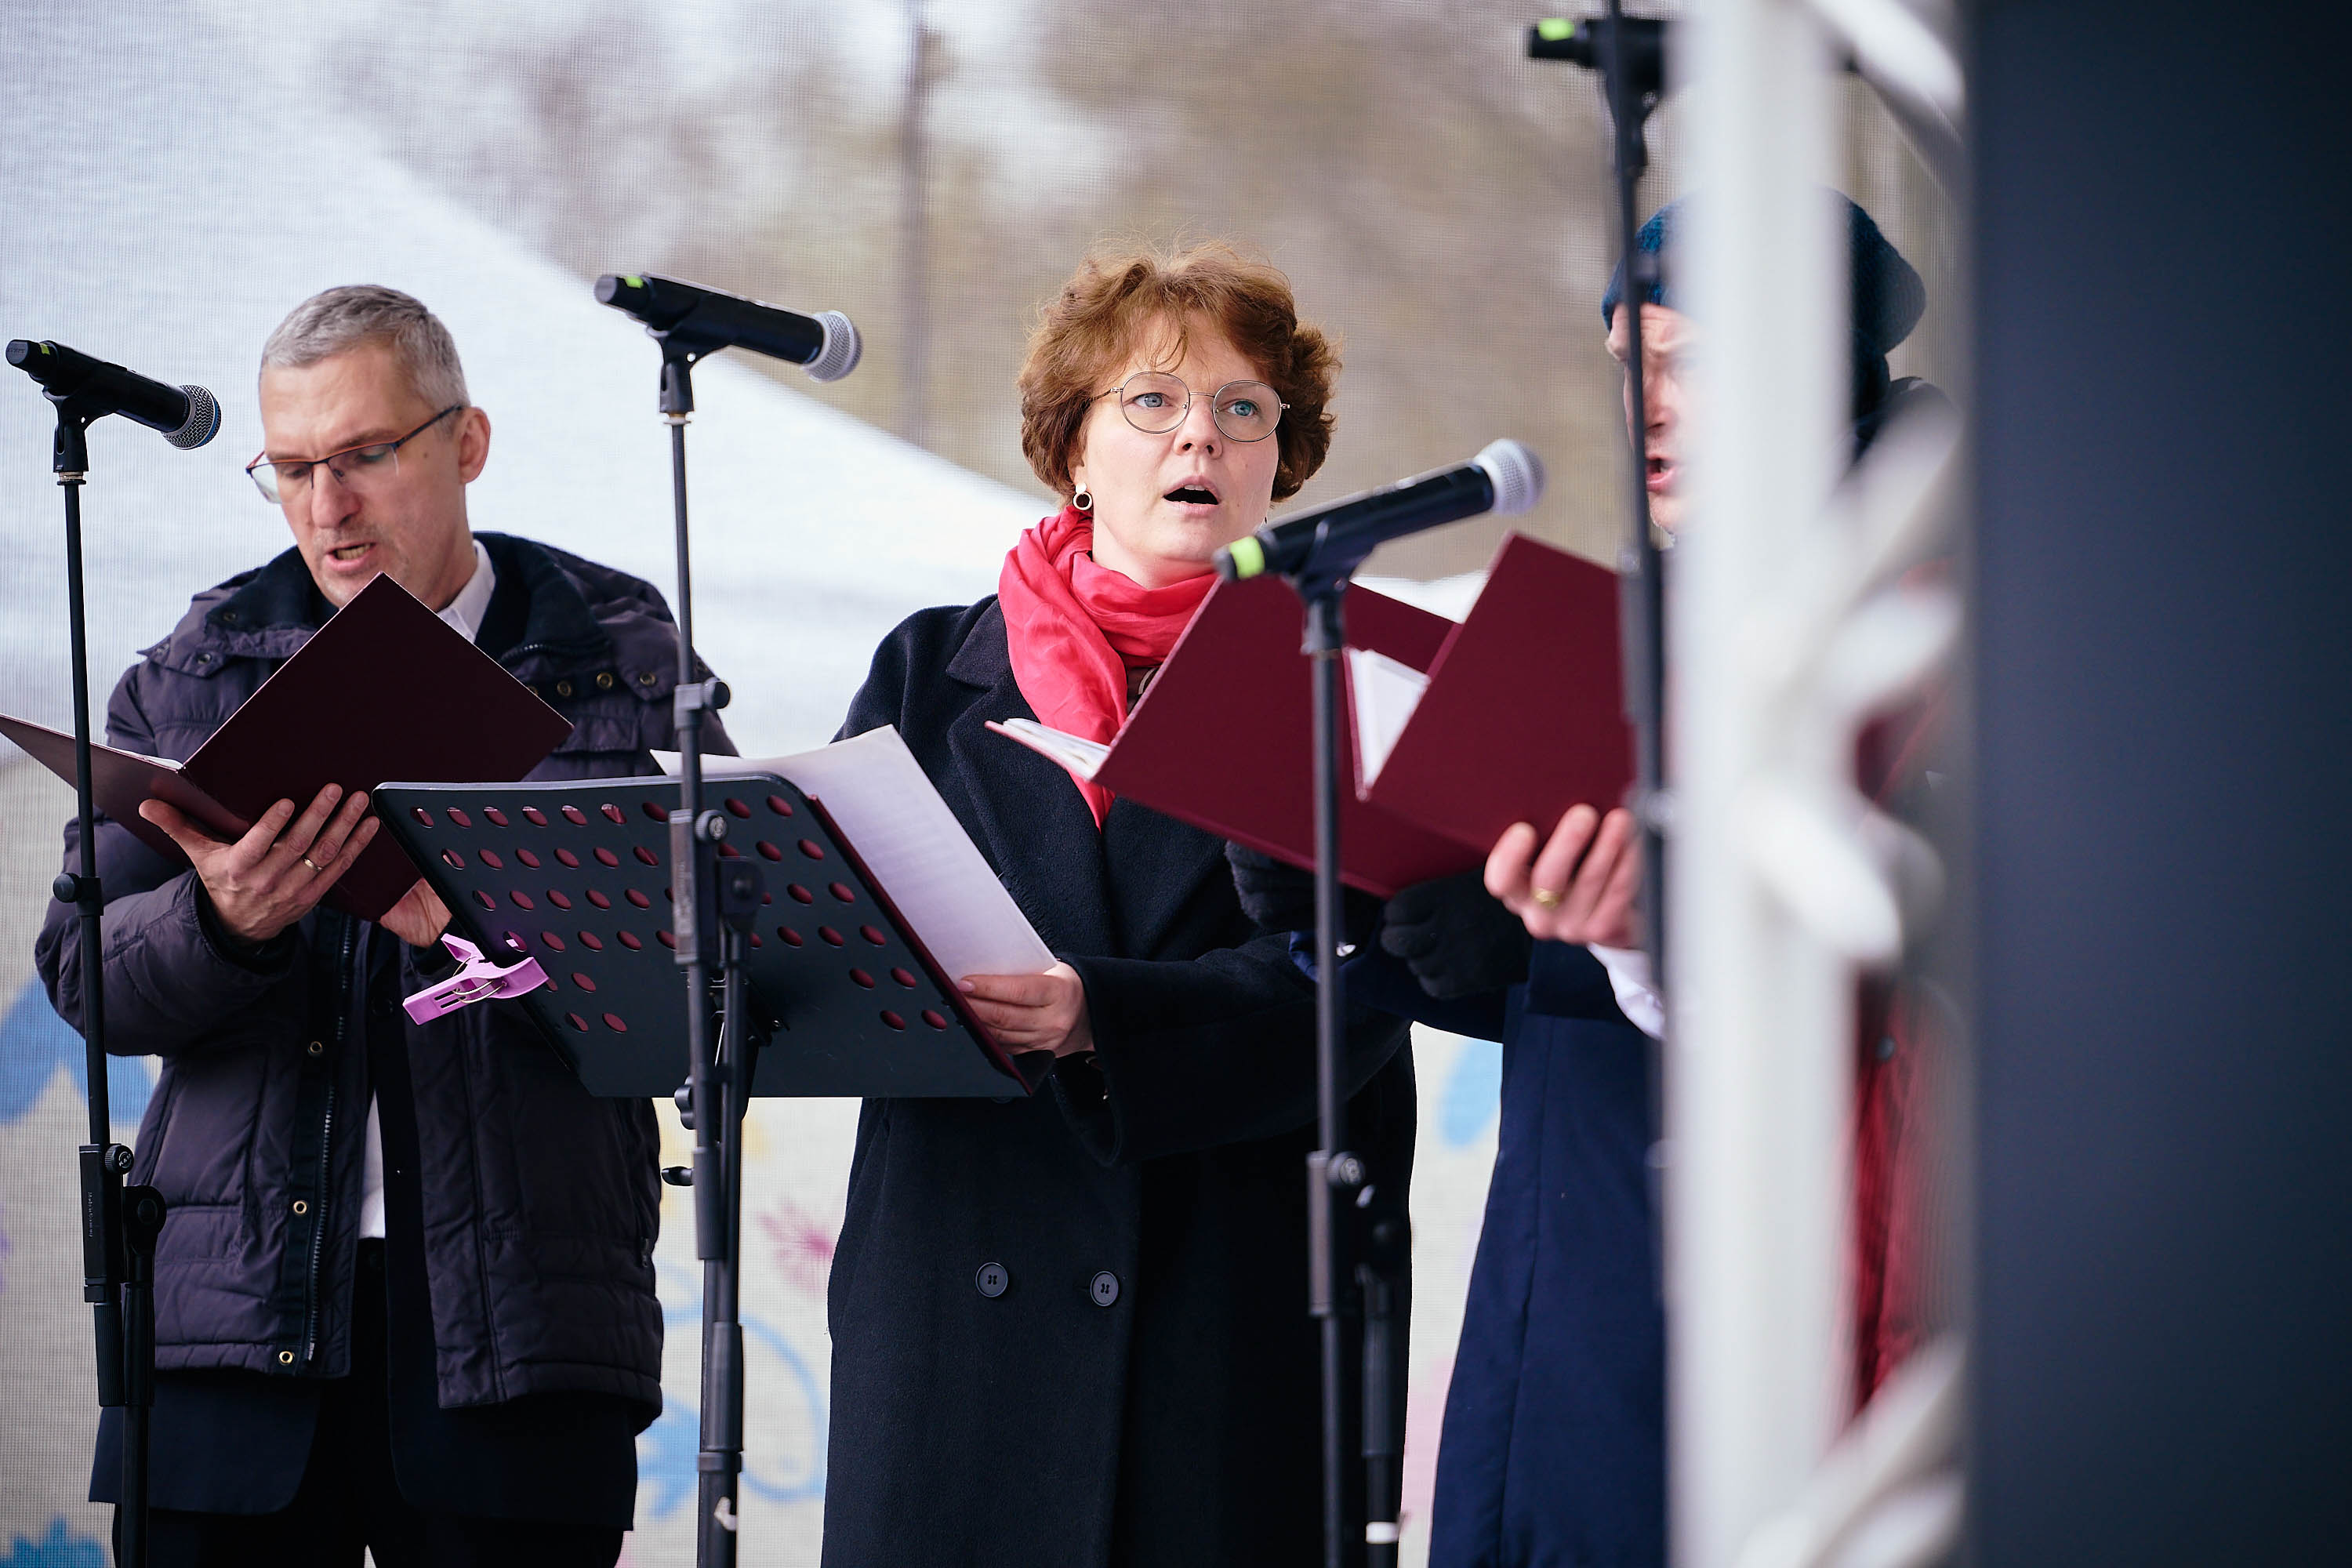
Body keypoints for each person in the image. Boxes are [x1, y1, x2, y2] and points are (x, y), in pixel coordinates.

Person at [1236, 196, 1939, 1568]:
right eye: (1626, 366)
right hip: (1555, 1298)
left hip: (1760, 1329)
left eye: (1688, 362)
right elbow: (1567, 999)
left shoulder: (1914, 629)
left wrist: (1558, 942)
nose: (1643, 409)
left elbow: (1886, 999)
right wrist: (1374, 915)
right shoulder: (1646, 612)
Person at [34, 285, 731, 1566]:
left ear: (467, 442)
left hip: (524, 1335)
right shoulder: (197, 669)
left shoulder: (620, 665)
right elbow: (87, 979)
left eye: (362, 456)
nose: (327, 508)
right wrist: (223, 922)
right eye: (292, 470)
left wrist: (477, 935)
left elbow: (716, 991)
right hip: (231, 1328)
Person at [819, 241, 1414, 1568]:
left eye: (1243, 408)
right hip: (954, 1318)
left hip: (1219, 1327)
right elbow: (836, 938)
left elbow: (1365, 993)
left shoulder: (1339, 678)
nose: (1201, 434)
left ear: (1279, 460)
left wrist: (1107, 1016)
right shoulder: (927, 668)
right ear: (1073, 449)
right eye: (1152, 400)